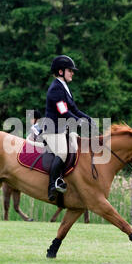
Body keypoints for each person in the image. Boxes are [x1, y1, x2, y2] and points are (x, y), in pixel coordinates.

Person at [42, 55, 93, 201]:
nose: (72, 73)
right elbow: (63, 112)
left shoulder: (64, 88)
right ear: (60, 72)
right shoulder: (55, 89)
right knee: (63, 152)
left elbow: (74, 110)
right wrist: (79, 122)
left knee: (78, 145)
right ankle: (53, 184)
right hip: (52, 130)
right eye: (70, 70)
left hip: (62, 129)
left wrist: (88, 119)